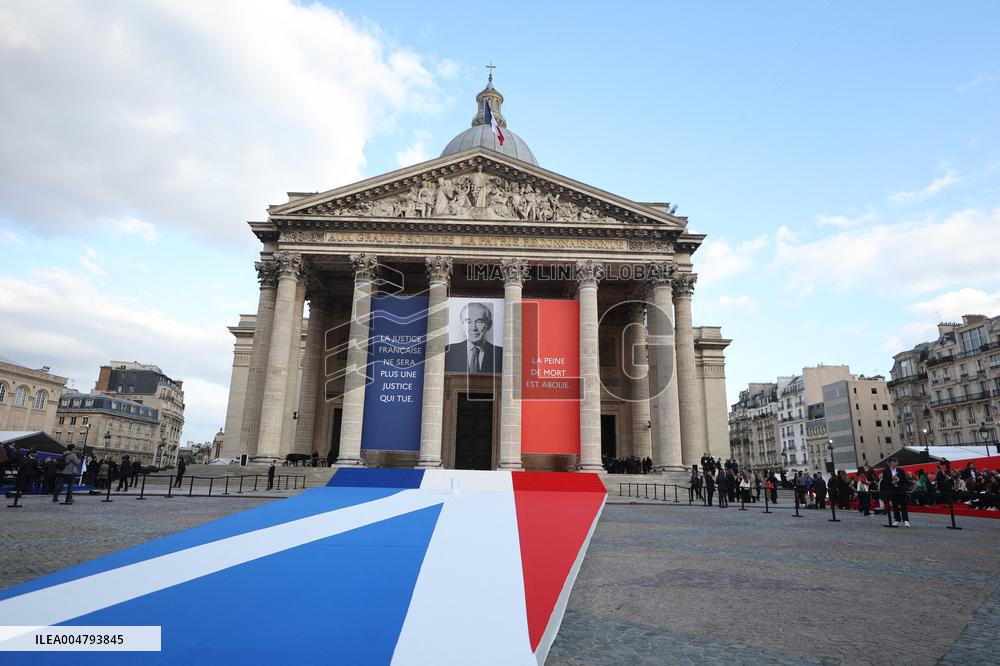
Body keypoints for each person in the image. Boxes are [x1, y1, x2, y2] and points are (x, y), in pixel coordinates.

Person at [444, 302, 503, 373]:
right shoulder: (449, 352)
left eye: (479, 322)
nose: (473, 328)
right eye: (468, 322)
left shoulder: (500, 354)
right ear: (462, 325)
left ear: (489, 325)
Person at [879, 457, 911, 527]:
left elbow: (905, 481)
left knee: (903, 506)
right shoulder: (886, 471)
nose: (894, 463)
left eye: (895, 462)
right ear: (889, 463)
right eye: (893, 462)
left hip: (900, 490)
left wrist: (898, 479)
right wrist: (892, 482)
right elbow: (884, 482)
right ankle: (897, 520)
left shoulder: (901, 471)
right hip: (892, 491)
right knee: (895, 506)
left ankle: (906, 521)